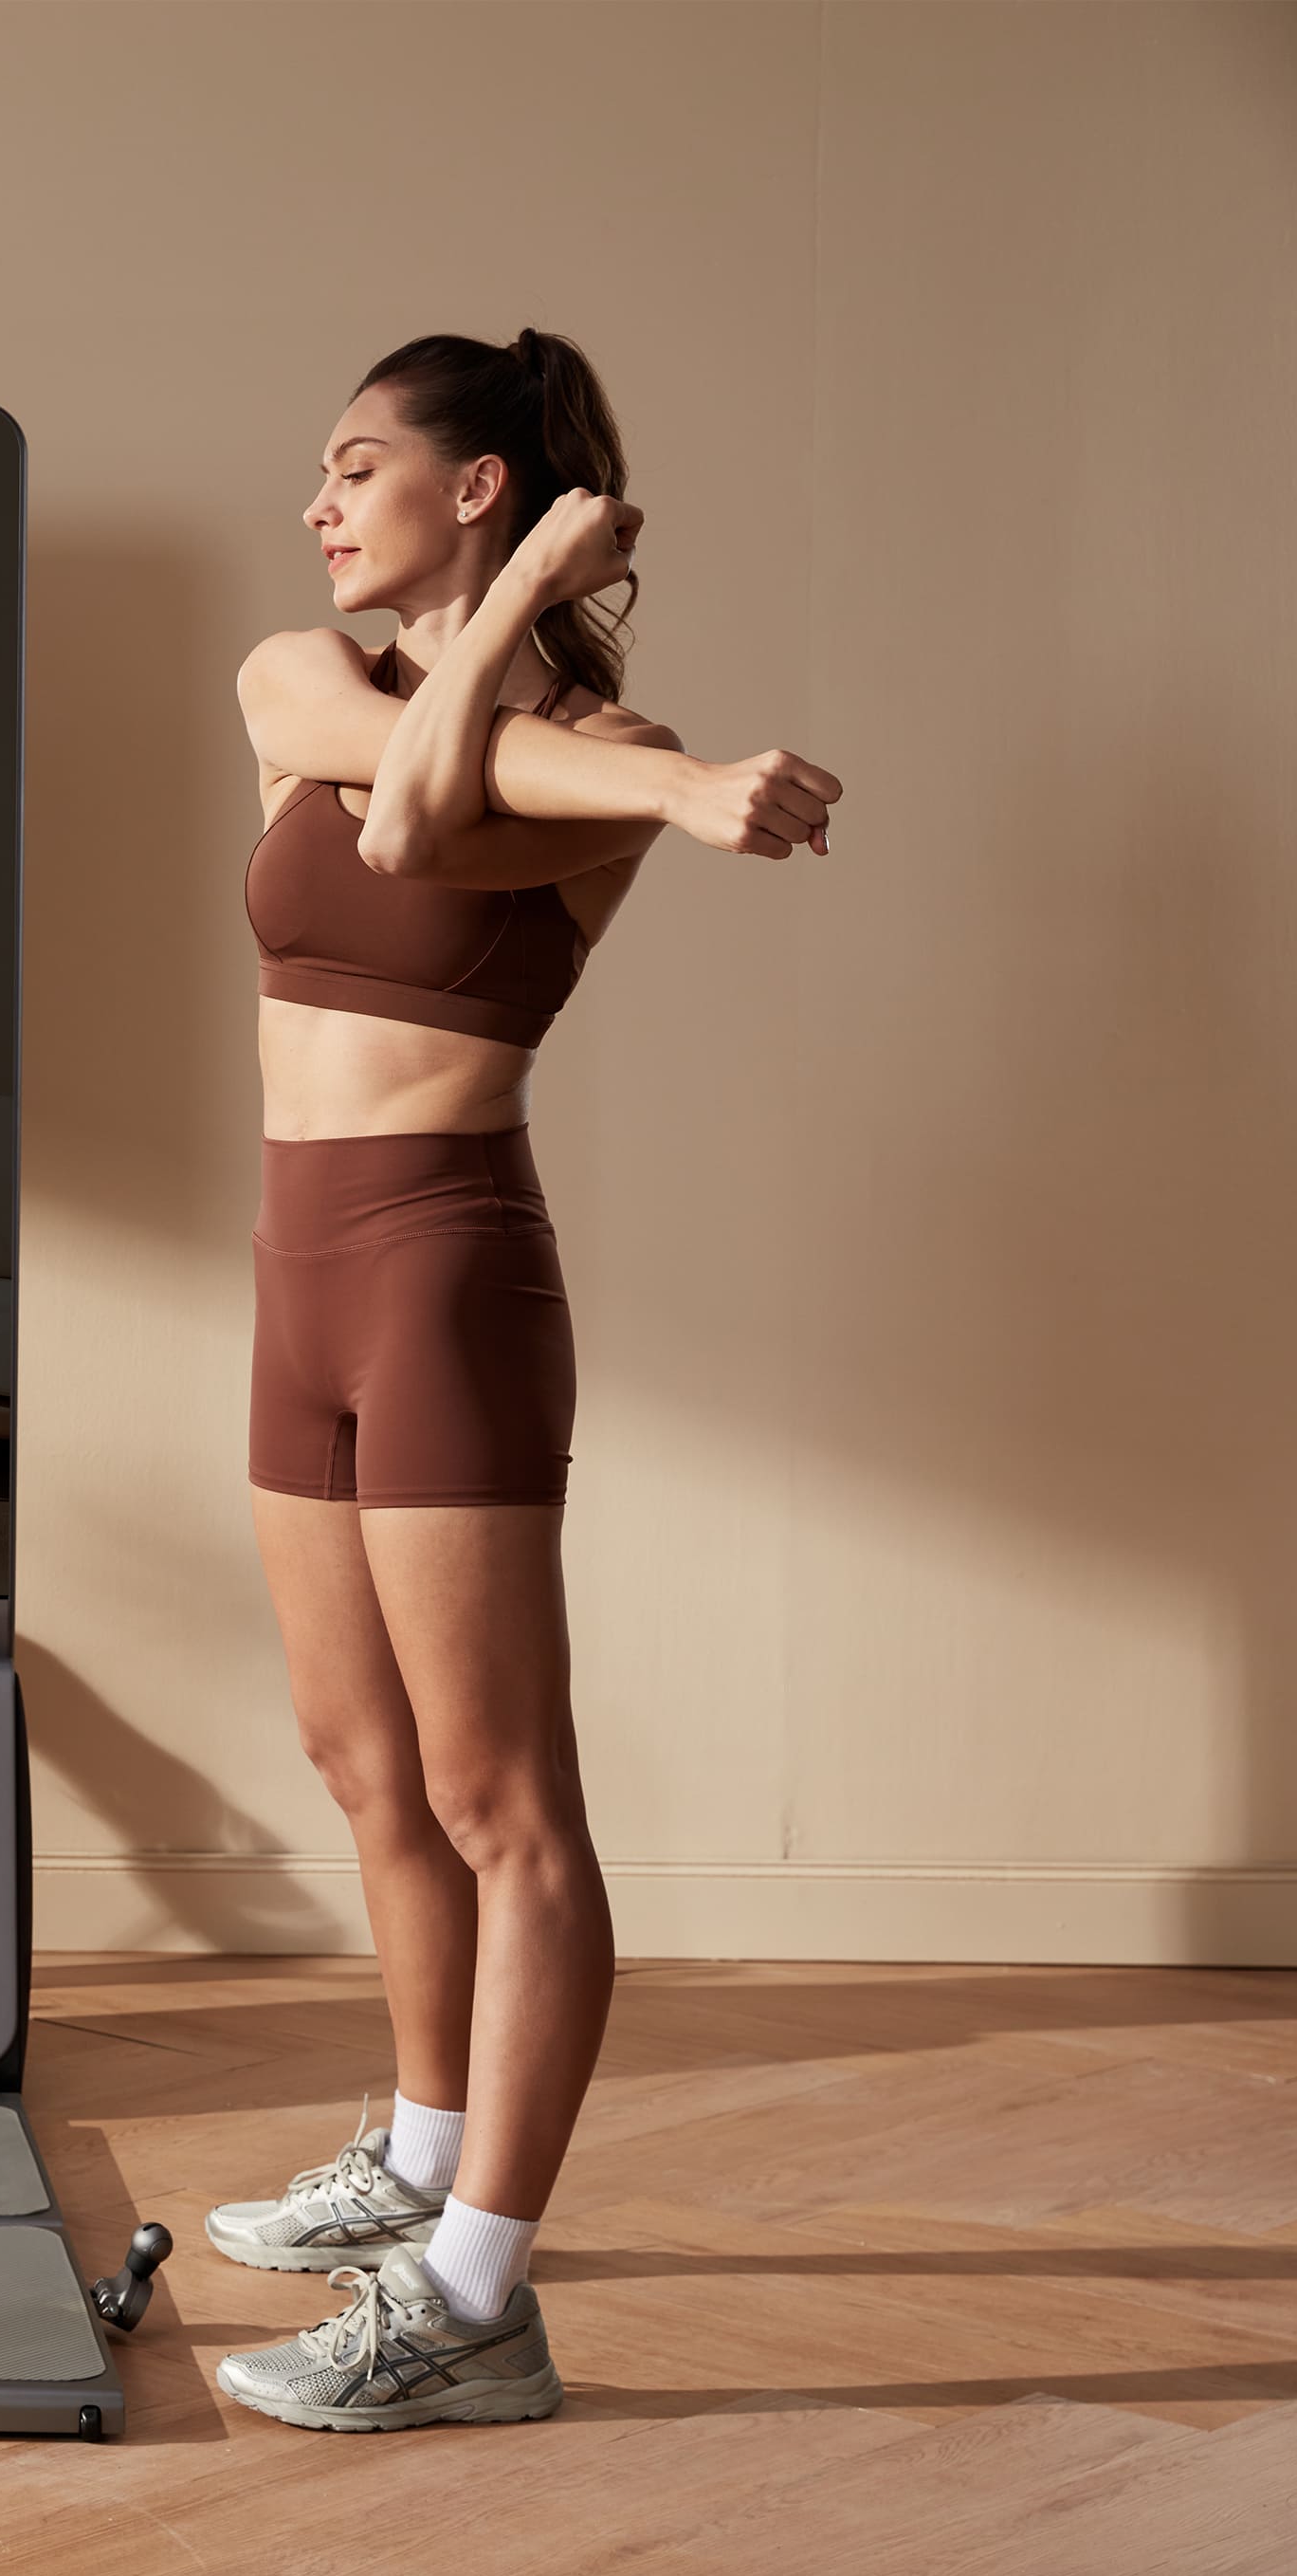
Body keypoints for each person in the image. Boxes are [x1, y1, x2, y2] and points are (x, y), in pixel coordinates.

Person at [205, 330, 842, 2432]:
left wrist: (634, 759)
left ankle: (478, 2291)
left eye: (361, 463)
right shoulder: (296, 672)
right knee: (359, 1758)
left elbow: (410, 836)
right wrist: (670, 774)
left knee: (503, 1801)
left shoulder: (593, 755)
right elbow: (383, 784)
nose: (321, 500)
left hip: (442, 1261)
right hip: (299, 1263)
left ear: (475, 490)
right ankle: (411, 2152)